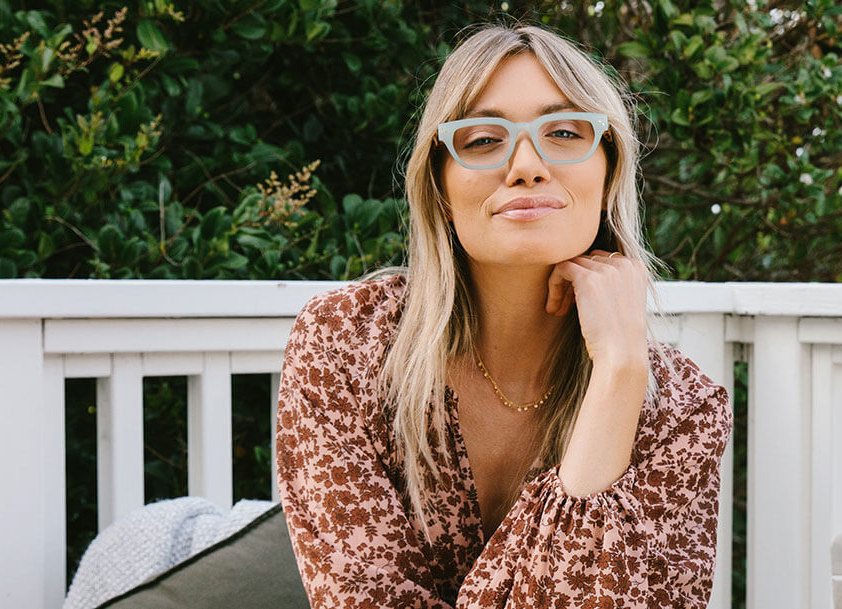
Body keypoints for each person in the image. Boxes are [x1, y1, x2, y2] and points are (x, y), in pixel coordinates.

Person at [275, 24, 731, 609]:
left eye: (564, 132)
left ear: (610, 171)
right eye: (485, 139)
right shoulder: (346, 343)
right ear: (439, 184)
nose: (526, 165)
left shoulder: (680, 410)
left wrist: (618, 374)